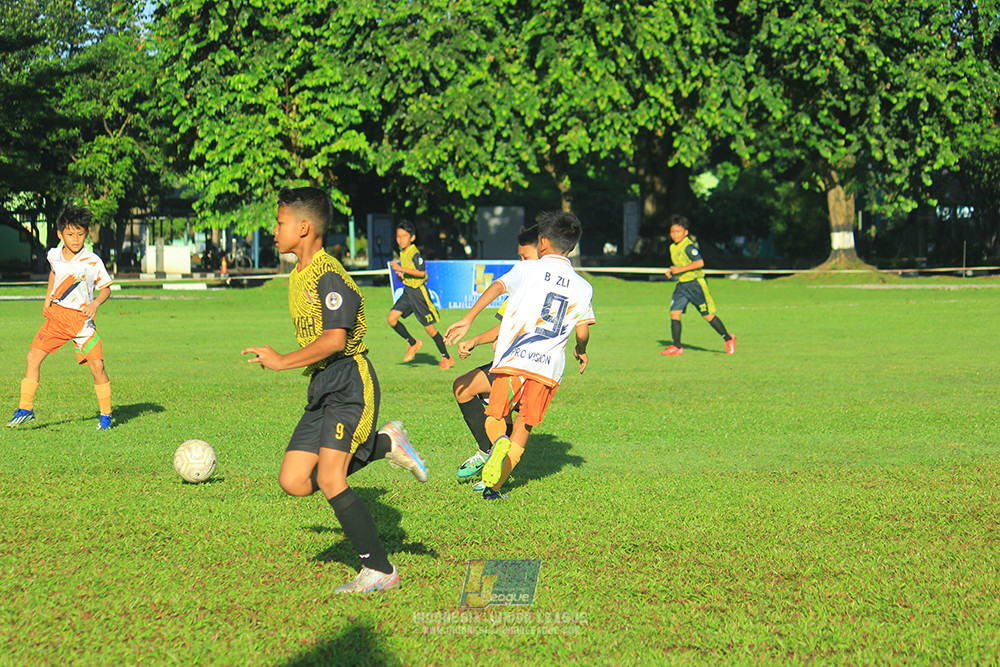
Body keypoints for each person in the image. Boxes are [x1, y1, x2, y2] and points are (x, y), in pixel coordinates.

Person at [242, 186, 428, 595]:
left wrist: (282, 359)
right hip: (322, 385)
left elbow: (336, 340)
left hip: (349, 380)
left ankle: (380, 570)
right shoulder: (298, 274)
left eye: (279, 222)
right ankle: (384, 444)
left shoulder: (329, 275)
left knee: (330, 478)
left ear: (304, 227)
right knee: (294, 480)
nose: (274, 230)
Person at [445, 211, 595, 500]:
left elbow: (498, 286)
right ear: (572, 247)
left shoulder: (529, 269)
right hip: (547, 369)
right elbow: (583, 332)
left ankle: (496, 442)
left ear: (542, 241)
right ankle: (494, 488)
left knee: (496, 415)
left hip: (515, 359)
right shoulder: (583, 286)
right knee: (524, 426)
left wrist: (469, 318)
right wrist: (581, 351)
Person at [8, 206, 114, 430]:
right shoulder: (53, 255)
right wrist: (47, 299)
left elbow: (106, 289)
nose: (75, 239)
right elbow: (54, 273)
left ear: (86, 234)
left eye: (80, 234)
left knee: (97, 367)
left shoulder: (93, 261)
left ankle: (106, 415)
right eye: (70, 234)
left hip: (82, 322)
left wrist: (95, 304)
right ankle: (26, 408)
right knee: (32, 358)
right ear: (59, 234)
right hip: (57, 318)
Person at [452, 225, 539, 482]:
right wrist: (475, 340)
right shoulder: (523, 286)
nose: (521, 263)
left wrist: (470, 325)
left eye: (526, 257)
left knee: (464, 389)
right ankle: (496, 458)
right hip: (517, 363)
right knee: (500, 411)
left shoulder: (536, 287)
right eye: (519, 258)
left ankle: (490, 452)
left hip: (519, 364)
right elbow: (503, 327)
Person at [661, 215, 735, 356]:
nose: (675, 235)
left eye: (678, 231)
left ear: (685, 232)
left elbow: (700, 263)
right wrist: (672, 270)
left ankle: (728, 338)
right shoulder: (672, 247)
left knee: (707, 315)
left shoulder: (688, 246)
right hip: (682, 285)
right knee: (674, 313)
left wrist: (679, 270)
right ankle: (677, 347)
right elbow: (681, 265)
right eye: (672, 232)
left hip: (695, 285)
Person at [387, 220, 455, 370]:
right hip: (408, 292)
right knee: (391, 319)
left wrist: (401, 269)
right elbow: (407, 273)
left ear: (412, 238)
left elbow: (422, 272)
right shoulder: (403, 252)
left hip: (419, 294)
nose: (400, 239)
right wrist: (401, 275)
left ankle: (447, 357)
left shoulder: (414, 252)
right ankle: (413, 343)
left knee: (430, 329)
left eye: (404, 236)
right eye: (398, 236)